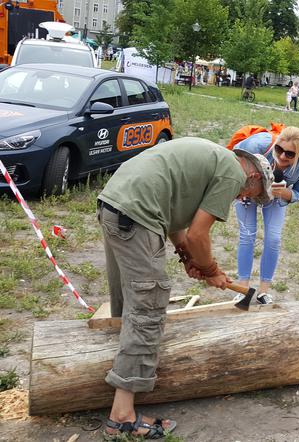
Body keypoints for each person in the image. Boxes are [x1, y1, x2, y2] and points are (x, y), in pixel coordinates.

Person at [99, 137, 274, 439]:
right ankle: (122, 416)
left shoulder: (213, 159)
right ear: (254, 176)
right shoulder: (233, 172)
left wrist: (186, 257)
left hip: (115, 202)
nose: (244, 198)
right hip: (137, 213)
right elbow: (198, 235)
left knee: (128, 299)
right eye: (251, 195)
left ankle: (107, 367)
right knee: (148, 309)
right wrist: (210, 270)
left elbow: (176, 220)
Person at [232, 126, 299, 304]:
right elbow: (231, 161)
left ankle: (263, 292)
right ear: (276, 144)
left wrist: (286, 193)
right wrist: (244, 184)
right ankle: (243, 289)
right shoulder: (258, 145)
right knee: (247, 235)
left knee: (273, 239)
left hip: (276, 196)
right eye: (280, 149)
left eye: (290, 154)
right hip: (247, 189)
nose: (283, 156)